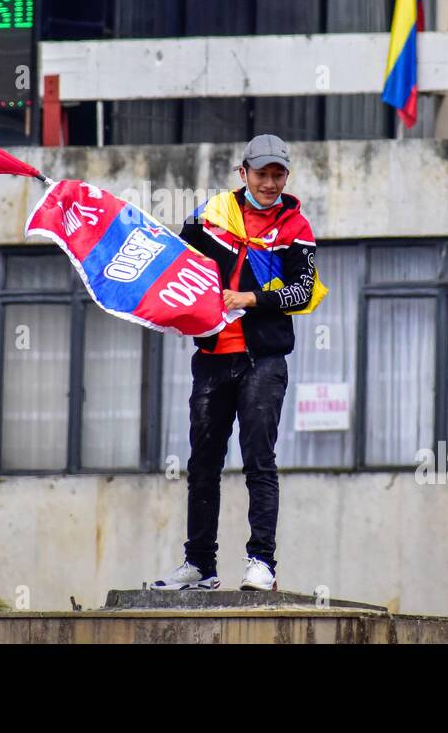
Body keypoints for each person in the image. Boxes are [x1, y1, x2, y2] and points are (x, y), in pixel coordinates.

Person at [151, 134, 321, 591]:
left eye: (277, 174)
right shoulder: (209, 216)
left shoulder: (296, 228)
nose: (269, 183)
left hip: (263, 361)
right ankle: (199, 565)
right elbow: (173, 263)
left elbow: (302, 292)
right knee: (202, 464)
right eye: (261, 173)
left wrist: (252, 297)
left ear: (286, 177)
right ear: (242, 173)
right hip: (211, 358)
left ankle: (261, 563)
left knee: (259, 462)